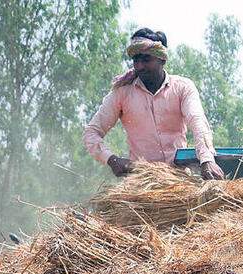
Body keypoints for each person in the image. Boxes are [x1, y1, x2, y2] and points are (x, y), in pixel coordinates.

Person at [82, 27, 225, 180]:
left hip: (179, 180)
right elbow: (91, 133)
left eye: (146, 60)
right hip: (140, 183)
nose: (139, 66)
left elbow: (197, 121)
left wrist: (207, 159)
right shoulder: (121, 93)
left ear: (162, 59)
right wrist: (112, 160)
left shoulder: (183, 88)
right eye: (136, 60)